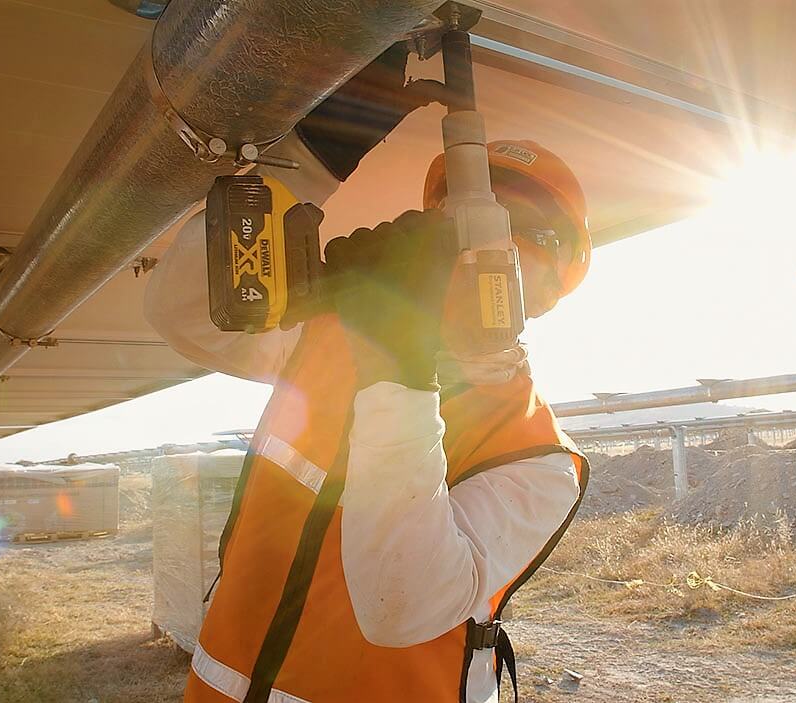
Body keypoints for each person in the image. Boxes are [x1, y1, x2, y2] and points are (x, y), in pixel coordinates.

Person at [144, 47, 591, 703]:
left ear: (553, 288)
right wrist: (316, 156)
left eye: (524, 230)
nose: (480, 240)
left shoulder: (537, 457)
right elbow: (178, 308)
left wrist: (396, 362)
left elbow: (400, 606)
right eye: (462, 213)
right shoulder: (333, 336)